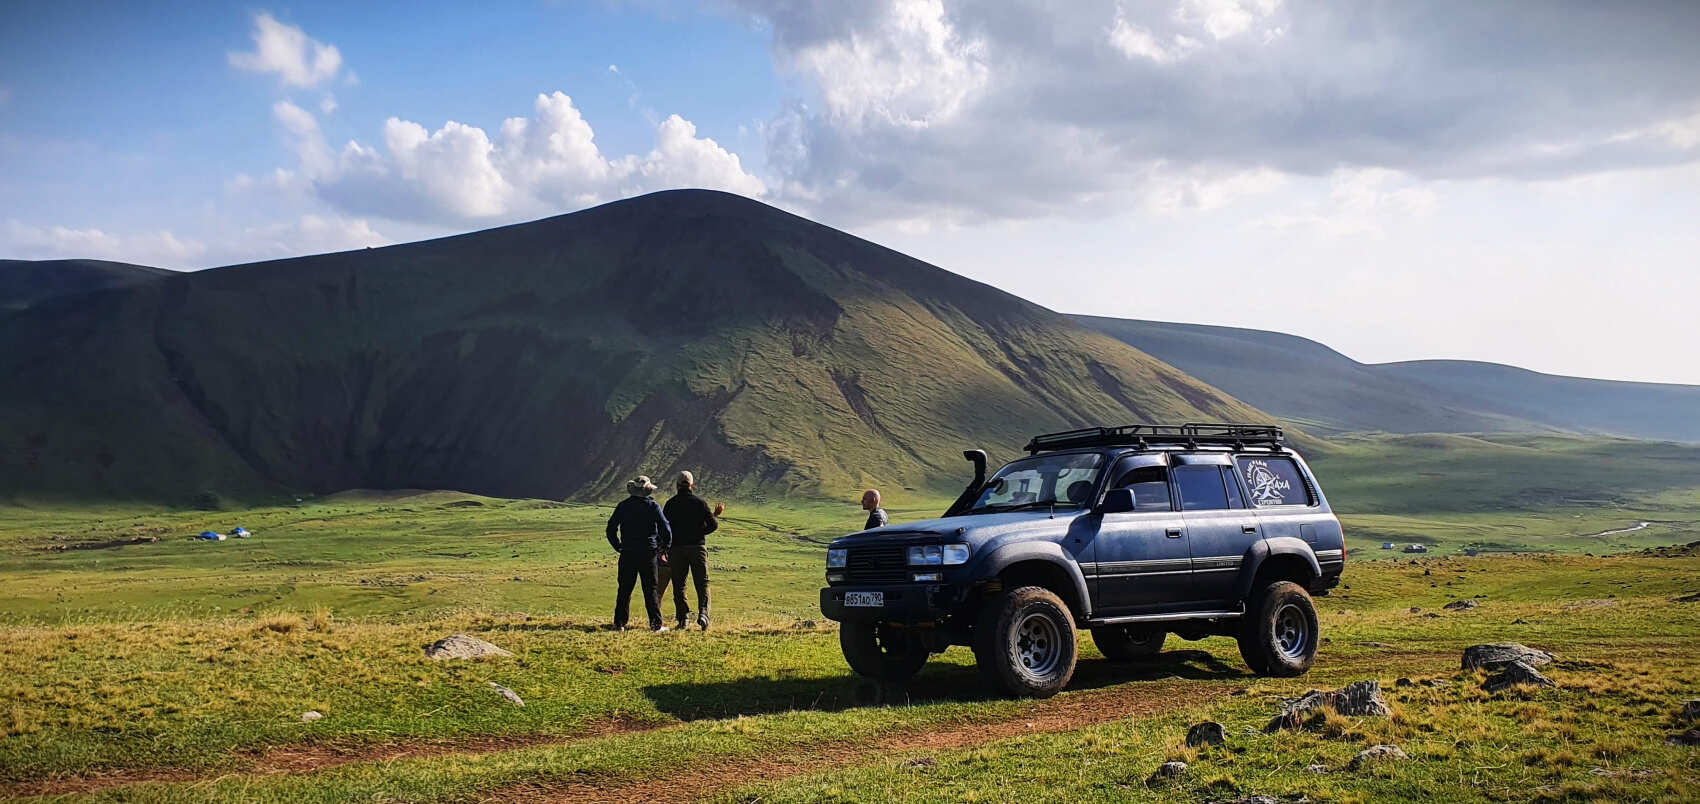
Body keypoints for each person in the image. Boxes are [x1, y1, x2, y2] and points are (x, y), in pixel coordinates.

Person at [605, 475, 673, 632]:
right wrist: (664, 547)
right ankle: (656, 625)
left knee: (624, 589)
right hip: (648, 553)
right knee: (651, 590)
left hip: (628, 552)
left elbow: (610, 529)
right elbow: (665, 528)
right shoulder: (653, 506)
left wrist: (618, 546)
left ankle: (620, 623)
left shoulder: (623, 506)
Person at [662, 470, 723, 631]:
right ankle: (703, 615)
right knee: (702, 583)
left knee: (679, 584)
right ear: (692, 485)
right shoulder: (700, 503)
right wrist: (698, 532)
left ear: (677, 486)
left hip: (677, 549)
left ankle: (683, 619)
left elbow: (664, 528)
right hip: (697, 548)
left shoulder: (670, 504)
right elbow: (713, 525)